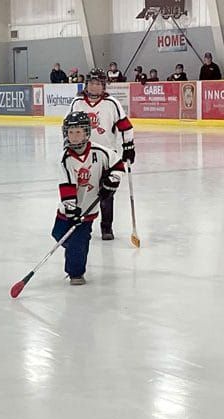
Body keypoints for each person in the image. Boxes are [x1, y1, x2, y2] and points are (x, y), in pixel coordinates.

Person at [52, 111, 124, 285]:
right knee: (58, 234)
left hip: (89, 210)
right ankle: (77, 248)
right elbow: (66, 185)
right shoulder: (65, 158)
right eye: (70, 132)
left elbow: (117, 164)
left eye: (78, 132)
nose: (74, 136)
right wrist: (71, 209)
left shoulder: (101, 152)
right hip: (68, 210)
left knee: (78, 241)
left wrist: (112, 182)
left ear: (86, 132)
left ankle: (76, 273)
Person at [67, 68, 136, 240]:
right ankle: (79, 222)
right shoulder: (77, 102)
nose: (94, 87)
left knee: (107, 191)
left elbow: (125, 126)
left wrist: (129, 146)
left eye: (98, 83)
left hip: (106, 155)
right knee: (80, 188)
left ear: (103, 86)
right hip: (82, 153)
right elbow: (68, 126)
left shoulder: (112, 103)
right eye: (91, 83)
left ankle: (106, 227)